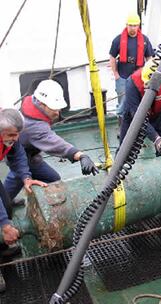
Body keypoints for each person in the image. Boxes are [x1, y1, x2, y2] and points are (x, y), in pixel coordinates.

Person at [3, 80, 99, 202]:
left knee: (17, 174)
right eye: (54, 108)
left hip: (24, 153)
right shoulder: (34, 126)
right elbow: (54, 142)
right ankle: (6, 203)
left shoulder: (32, 101)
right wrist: (80, 155)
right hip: (22, 156)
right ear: (42, 104)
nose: (57, 112)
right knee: (48, 178)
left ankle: (6, 199)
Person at [0, 108, 47, 292]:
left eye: (17, 134)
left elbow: (18, 155)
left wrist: (27, 178)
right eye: (11, 134)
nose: (15, 138)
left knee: (6, 203)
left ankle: (2, 248)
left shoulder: (11, 136)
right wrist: (4, 224)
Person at [119, 61, 161, 156]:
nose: (146, 87)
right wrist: (156, 138)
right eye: (145, 84)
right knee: (124, 150)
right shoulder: (131, 83)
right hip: (133, 118)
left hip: (157, 116)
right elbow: (137, 116)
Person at [109, 13, 155, 120]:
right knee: (122, 104)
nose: (132, 28)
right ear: (126, 25)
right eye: (130, 25)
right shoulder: (118, 40)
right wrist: (116, 75)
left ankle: (136, 125)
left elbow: (149, 58)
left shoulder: (145, 40)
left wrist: (149, 74)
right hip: (123, 77)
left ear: (138, 26)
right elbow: (112, 57)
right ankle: (121, 127)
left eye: (134, 25)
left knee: (138, 101)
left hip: (139, 78)